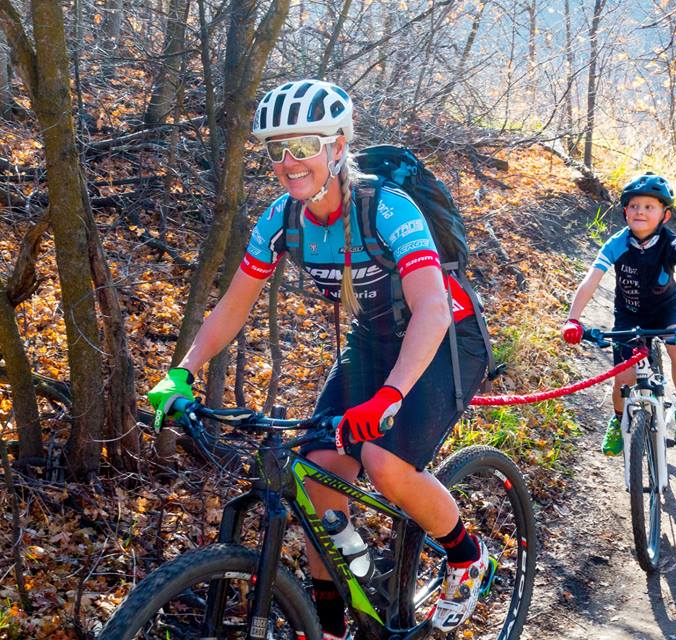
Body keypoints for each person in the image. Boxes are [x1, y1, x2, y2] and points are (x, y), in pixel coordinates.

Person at [147, 79, 491, 639]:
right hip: (371, 342)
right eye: (276, 149)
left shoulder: (387, 208)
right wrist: (181, 372)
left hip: (448, 336)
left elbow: (429, 308)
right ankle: (332, 627)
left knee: (384, 463)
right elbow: (233, 307)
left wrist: (391, 395)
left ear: (337, 146)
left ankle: (467, 556)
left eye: (304, 145)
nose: (289, 161)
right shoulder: (282, 219)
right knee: (316, 483)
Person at [561, 172, 676, 455]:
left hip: (666, 310)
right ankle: (618, 419)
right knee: (623, 376)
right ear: (625, 211)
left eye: (649, 207)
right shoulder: (617, 243)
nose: (640, 212)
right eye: (634, 206)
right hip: (629, 315)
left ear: (664, 215)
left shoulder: (672, 243)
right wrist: (573, 319)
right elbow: (591, 280)